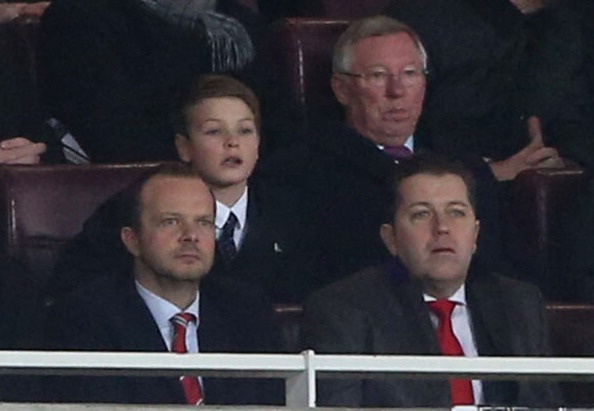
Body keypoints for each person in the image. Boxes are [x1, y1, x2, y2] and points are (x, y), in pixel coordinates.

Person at [259, 15, 511, 288]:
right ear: (342, 89)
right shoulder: (296, 174)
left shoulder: (465, 167)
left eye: (410, 73)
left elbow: (498, 278)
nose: (397, 90)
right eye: (378, 76)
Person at [302, 154, 563, 408]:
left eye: (456, 213)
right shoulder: (345, 309)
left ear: (475, 234)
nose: (442, 227)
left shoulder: (518, 303)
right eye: (421, 214)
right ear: (391, 239)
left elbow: (545, 405)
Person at [50, 74, 315, 304]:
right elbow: (76, 287)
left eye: (245, 130)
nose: (232, 142)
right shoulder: (138, 206)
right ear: (184, 147)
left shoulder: (294, 210)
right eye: (214, 131)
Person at [44, 163, 283, 405]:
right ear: (132, 240)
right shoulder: (84, 319)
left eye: (203, 222)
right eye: (171, 222)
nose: (191, 236)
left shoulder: (249, 311)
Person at [385, 0, 593, 175]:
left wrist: (568, 157)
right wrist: (489, 173)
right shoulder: (422, 21)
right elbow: (386, 150)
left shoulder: (576, 23)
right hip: (445, 190)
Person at [39, 0, 259, 162]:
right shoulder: (80, 18)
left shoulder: (238, 23)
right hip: (141, 185)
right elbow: (111, 136)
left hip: (235, 182)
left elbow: (268, 126)